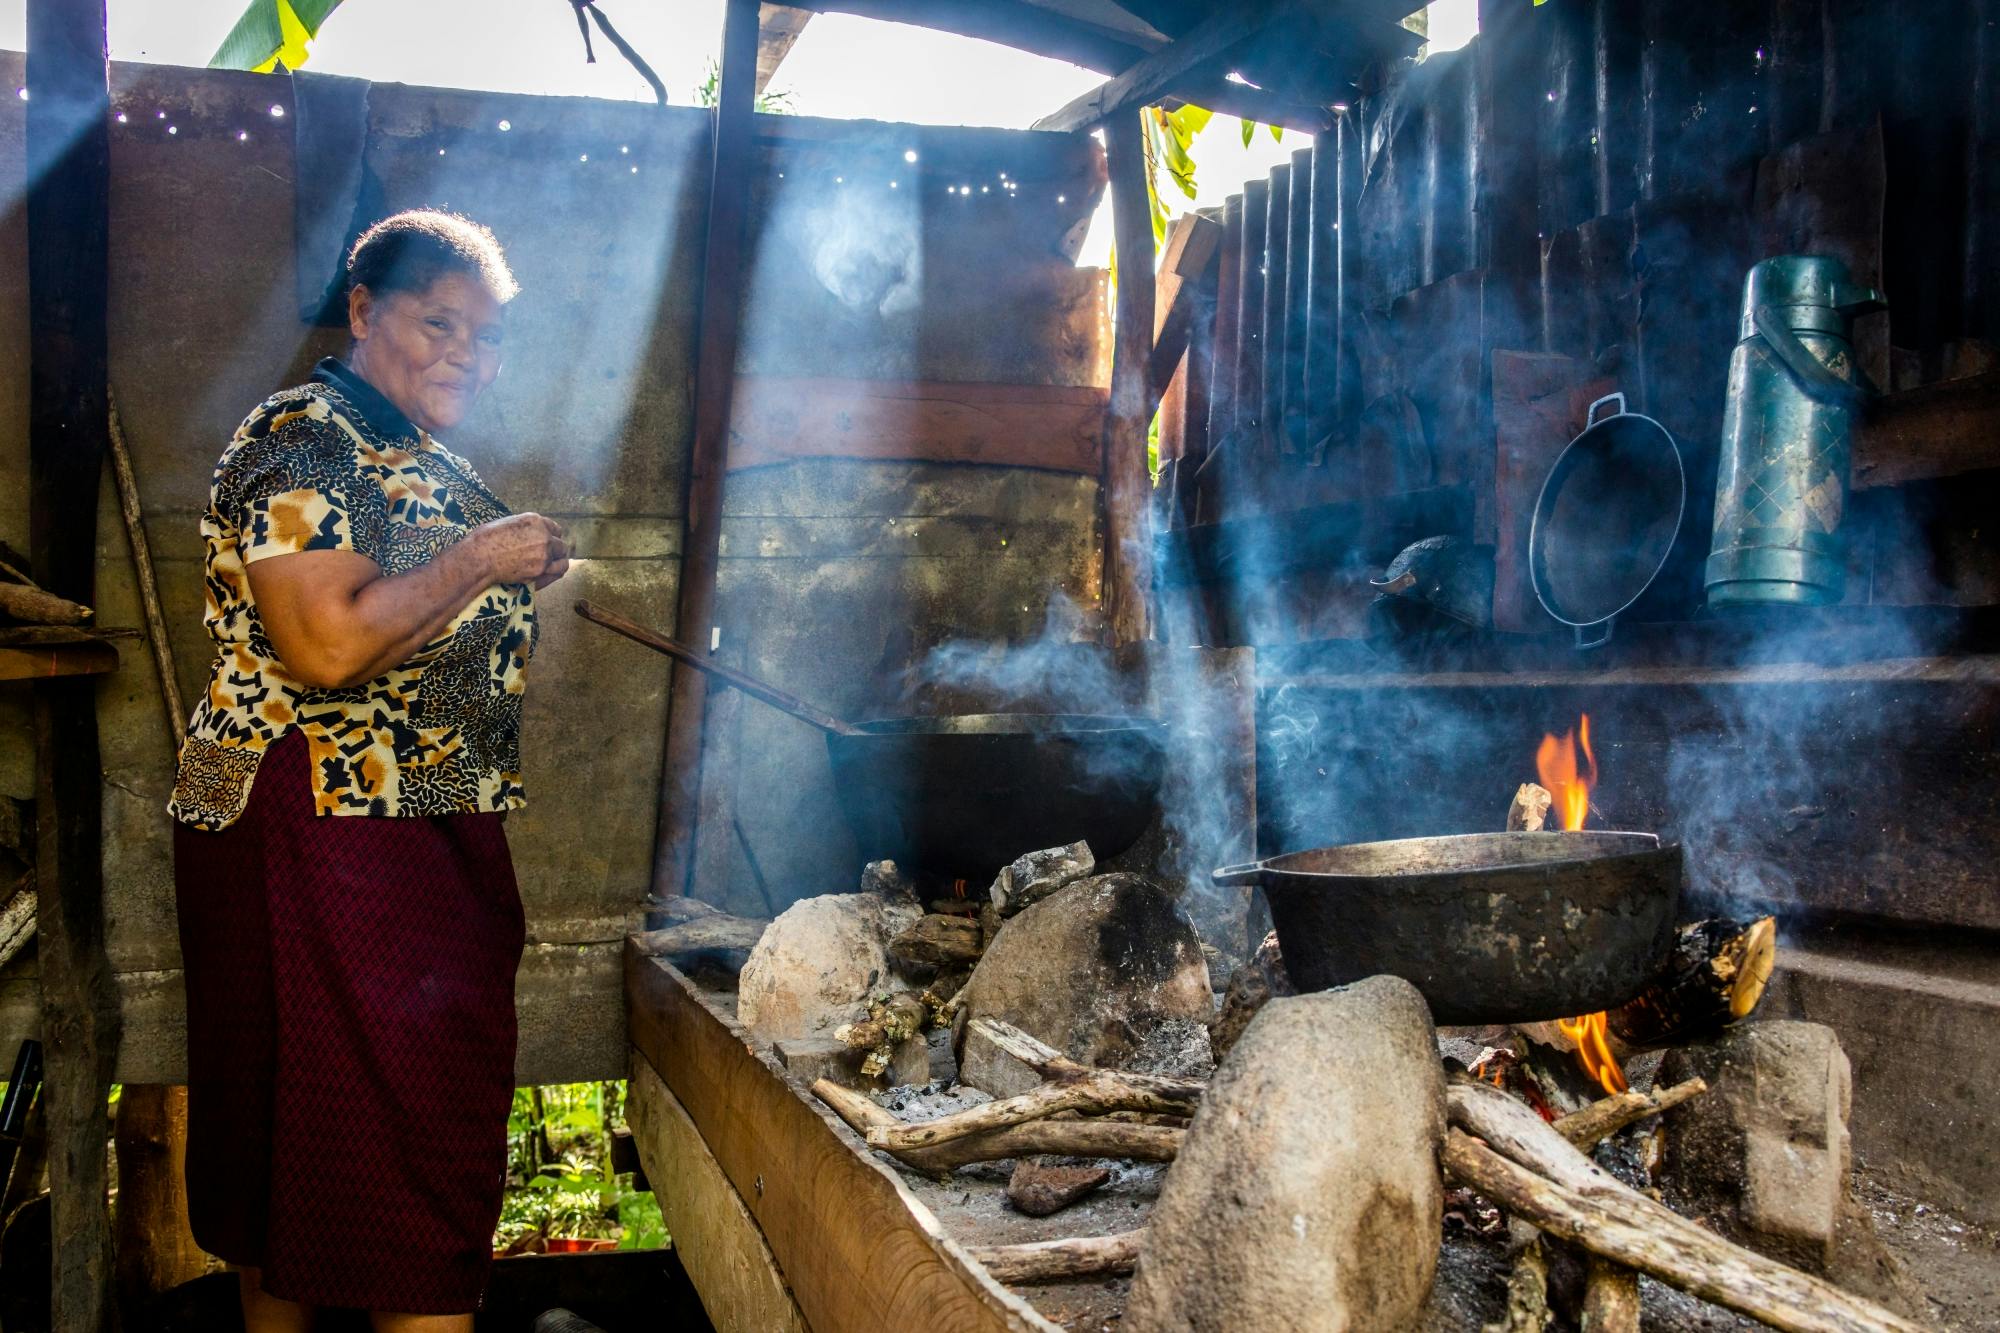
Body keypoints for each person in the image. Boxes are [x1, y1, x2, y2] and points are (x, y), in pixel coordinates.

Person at [168, 209, 570, 1332]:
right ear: (361, 311)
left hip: (402, 822)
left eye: (485, 336)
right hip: (311, 815)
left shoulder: (410, 449)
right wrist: (485, 556)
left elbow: (413, 601)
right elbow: (327, 645)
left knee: (354, 1126)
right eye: (437, 321)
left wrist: (501, 568)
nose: (465, 353)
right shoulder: (302, 437)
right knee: (379, 1132)